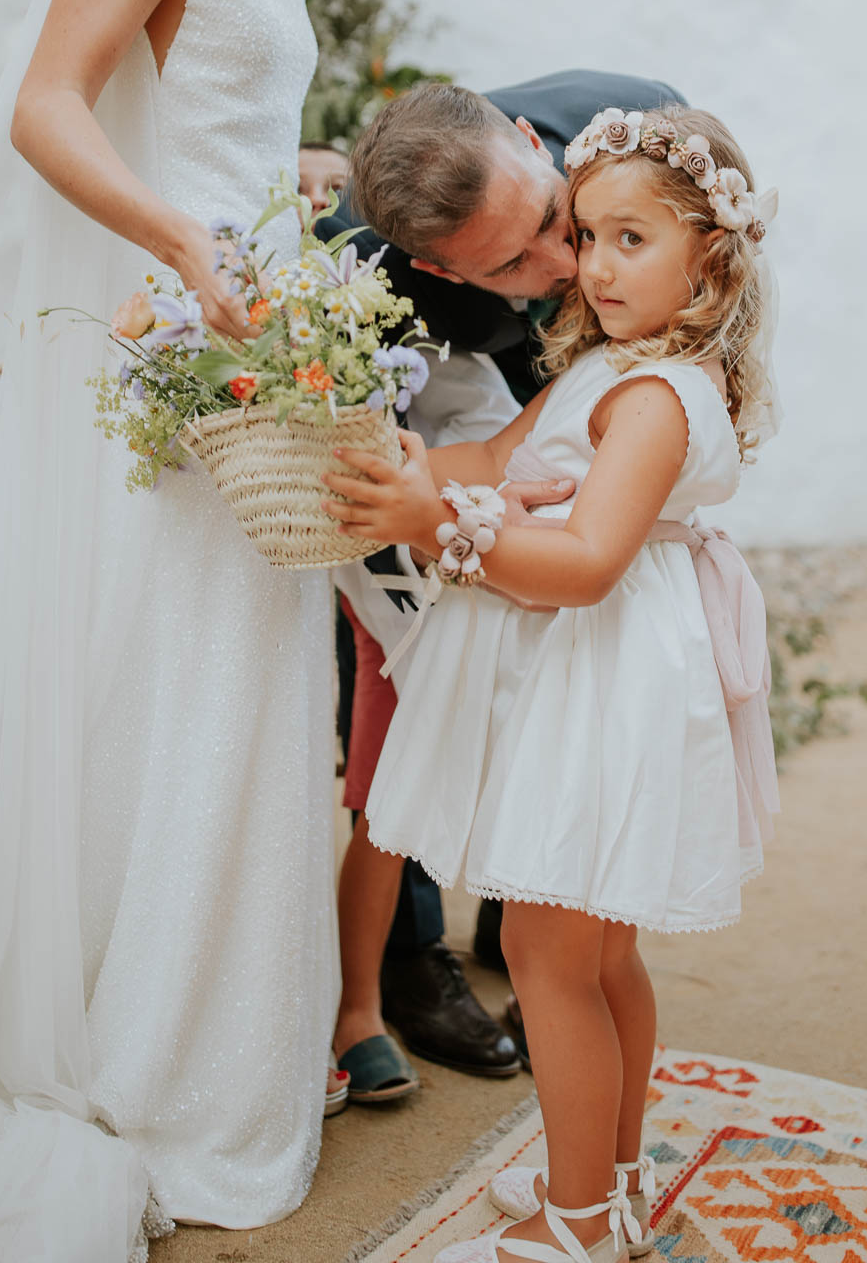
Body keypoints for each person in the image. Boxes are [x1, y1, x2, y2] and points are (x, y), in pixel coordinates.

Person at [0, 0, 450, 1262]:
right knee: (166, 696)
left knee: (224, 705)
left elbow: (175, 113)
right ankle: (126, 1064)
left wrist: (277, 177)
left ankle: (192, 1050)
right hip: (173, 360)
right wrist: (196, 245)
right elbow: (48, 110)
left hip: (239, 358)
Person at [326, 103, 781, 1263]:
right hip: (590, 684)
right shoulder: (606, 369)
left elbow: (582, 565)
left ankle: (578, 1219)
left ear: (712, 255)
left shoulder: (655, 398)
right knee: (594, 954)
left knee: (545, 954)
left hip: (609, 690)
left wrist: (439, 526)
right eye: (587, 234)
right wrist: (405, 461)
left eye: (635, 239)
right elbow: (498, 460)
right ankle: (611, 1181)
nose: (592, 262)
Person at [328, 74, 687, 1087]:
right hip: (470, 456)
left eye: (550, 221)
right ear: (442, 268)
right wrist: (421, 505)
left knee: (566, 697)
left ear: (536, 141)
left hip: (585, 425)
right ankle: (401, 968)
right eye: (514, 265)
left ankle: (540, 944)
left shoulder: (637, 131)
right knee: (397, 724)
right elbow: (418, 467)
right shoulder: (375, 283)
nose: (563, 263)